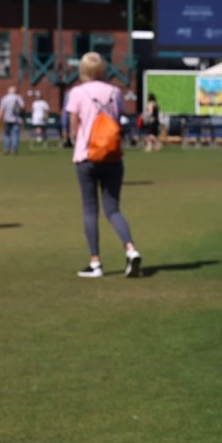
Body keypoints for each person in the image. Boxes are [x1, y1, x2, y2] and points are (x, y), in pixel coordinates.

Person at [64, 52, 142, 279]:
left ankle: (95, 262)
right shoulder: (115, 92)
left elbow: (73, 125)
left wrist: (74, 138)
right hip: (112, 156)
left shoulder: (77, 92)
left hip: (87, 155)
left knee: (90, 209)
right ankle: (130, 248)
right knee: (113, 209)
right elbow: (117, 120)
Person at [0, 85, 24, 155]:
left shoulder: (5, 98)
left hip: (7, 119)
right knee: (15, 134)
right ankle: (14, 149)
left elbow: (1, 109)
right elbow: (22, 107)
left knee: (7, 134)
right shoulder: (18, 98)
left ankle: (6, 149)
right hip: (16, 119)